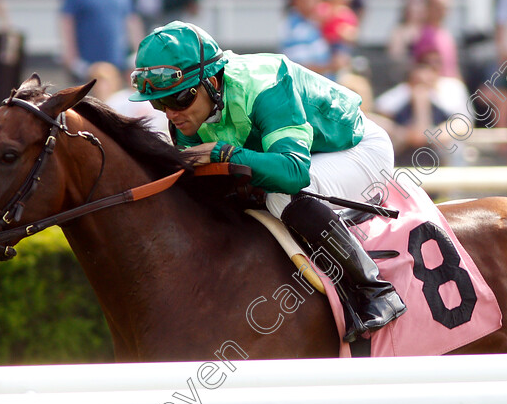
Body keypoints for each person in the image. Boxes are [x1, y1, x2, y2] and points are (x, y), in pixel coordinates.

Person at [129, 21, 408, 342]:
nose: (171, 114)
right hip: (308, 156)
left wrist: (223, 154)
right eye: (158, 103)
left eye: (179, 99)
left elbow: (292, 172)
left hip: (356, 148)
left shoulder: (265, 85)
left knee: (281, 196)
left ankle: (374, 290)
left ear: (211, 81)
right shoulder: (185, 118)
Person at [60, 0, 143, 80]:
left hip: (117, 60)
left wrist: (139, 52)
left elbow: (132, 20)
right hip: (87, 63)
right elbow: (67, 22)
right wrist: (71, 57)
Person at [279, 0, 332, 76]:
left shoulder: (320, 21)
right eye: (307, 0)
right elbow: (299, 68)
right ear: (296, 0)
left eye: (316, 0)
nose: (312, 4)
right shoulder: (293, 27)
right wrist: (331, 66)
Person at [410, 0, 459, 79]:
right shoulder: (425, 35)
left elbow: (453, 67)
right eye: (438, 6)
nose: (442, 10)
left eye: (446, 6)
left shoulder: (446, 33)